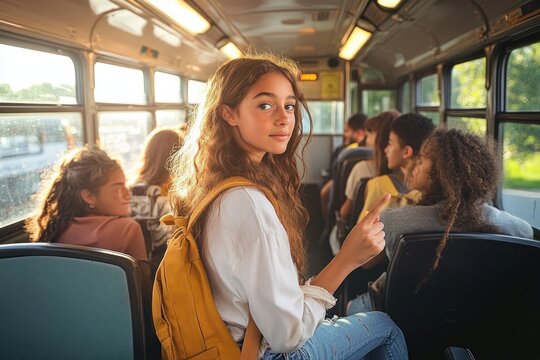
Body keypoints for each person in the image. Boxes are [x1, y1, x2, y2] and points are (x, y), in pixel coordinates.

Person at [168, 54, 407, 359]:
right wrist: (348, 258)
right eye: (265, 105)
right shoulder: (248, 204)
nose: (284, 118)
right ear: (229, 114)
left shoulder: (211, 183)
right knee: (384, 325)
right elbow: (288, 337)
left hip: (222, 341)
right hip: (260, 352)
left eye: (290, 105)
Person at [347, 129, 533, 314]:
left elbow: (365, 263)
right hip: (478, 316)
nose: (414, 166)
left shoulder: (393, 220)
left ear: (439, 173)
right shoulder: (518, 230)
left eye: (421, 160)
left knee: (351, 307)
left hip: (401, 313)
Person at [26, 146, 148, 262]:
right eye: (118, 188)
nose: (128, 194)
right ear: (89, 197)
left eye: (125, 185)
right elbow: (143, 281)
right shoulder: (128, 229)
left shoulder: (56, 227)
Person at [357, 113, 435, 222]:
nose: (386, 150)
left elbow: (362, 230)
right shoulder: (435, 191)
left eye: (390, 143)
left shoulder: (378, 186)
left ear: (406, 151)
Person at [131, 127, 184, 272]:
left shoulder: (137, 189)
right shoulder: (155, 195)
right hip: (161, 267)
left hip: (147, 266)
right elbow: (164, 240)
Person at [339, 110, 400, 220]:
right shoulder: (410, 176)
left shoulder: (361, 168)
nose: (366, 140)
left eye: (369, 134)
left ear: (377, 138)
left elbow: (345, 211)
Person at [320, 113, 367, 221]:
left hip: (344, 203)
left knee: (324, 193)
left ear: (359, 133)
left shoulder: (345, 153)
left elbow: (334, 175)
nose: (344, 134)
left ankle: (327, 223)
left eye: (347, 131)